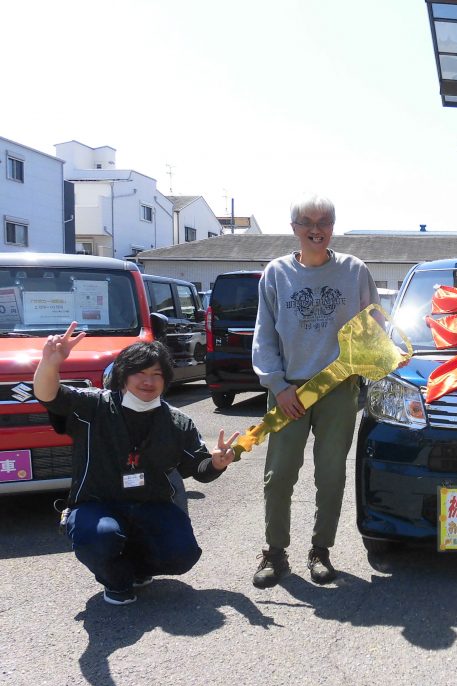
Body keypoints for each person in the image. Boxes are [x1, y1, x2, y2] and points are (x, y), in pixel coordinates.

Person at [33, 325, 238, 605]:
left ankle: (138, 569)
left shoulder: (177, 422)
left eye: (157, 374)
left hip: (150, 505)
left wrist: (216, 463)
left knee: (183, 554)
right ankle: (116, 580)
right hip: (97, 504)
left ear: (166, 380)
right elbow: (49, 395)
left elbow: (200, 469)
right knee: (99, 536)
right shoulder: (94, 406)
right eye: (139, 372)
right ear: (123, 375)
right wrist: (50, 363)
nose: (148, 381)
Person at [250, 194, 379, 588]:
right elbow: (264, 336)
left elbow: (373, 328)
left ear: (333, 227)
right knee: (279, 475)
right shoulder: (276, 273)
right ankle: (275, 551)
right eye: (306, 222)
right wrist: (277, 385)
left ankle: (321, 550)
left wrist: (371, 365)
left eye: (324, 221)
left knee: (331, 474)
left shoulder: (355, 271)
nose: (315, 229)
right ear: (294, 228)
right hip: (289, 389)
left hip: (338, 389)